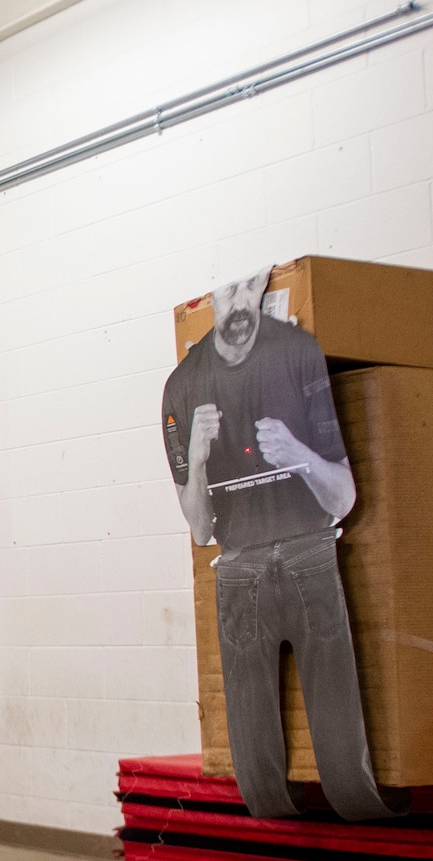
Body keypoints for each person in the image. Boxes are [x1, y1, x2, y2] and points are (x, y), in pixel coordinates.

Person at [162, 268, 405, 823]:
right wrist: (196, 463)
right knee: (254, 734)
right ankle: (285, 810)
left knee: (334, 711)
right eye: (227, 291)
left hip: (307, 551)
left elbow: (342, 497)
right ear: (209, 301)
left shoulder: (298, 352)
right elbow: (200, 529)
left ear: (263, 290)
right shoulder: (180, 387)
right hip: (240, 565)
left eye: (250, 288)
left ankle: (355, 805)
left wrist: (297, 453)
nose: (240, 302)